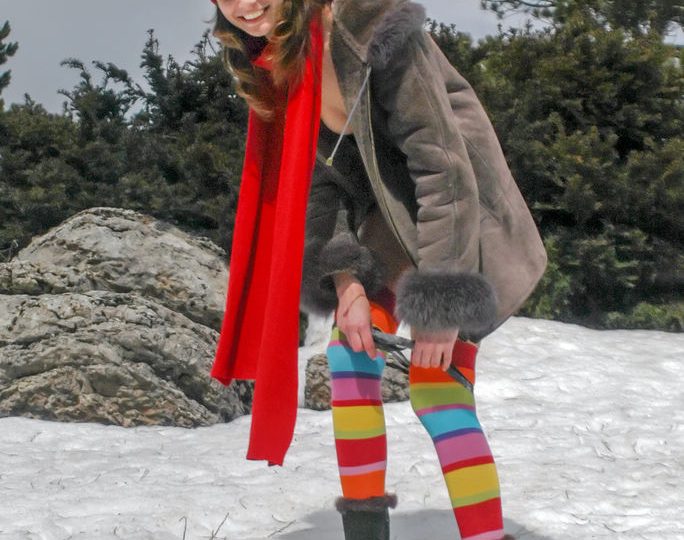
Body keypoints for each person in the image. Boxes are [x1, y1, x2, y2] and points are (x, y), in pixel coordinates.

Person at [208, 1, 547, 539]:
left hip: (461, 224)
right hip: (386, 223)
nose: (245, 5)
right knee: (349, 356)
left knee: (438, 389)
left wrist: (441, 306)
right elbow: (320, 184)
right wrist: (346, 281)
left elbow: (444, 171)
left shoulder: (372, 28)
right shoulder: (275, 52)